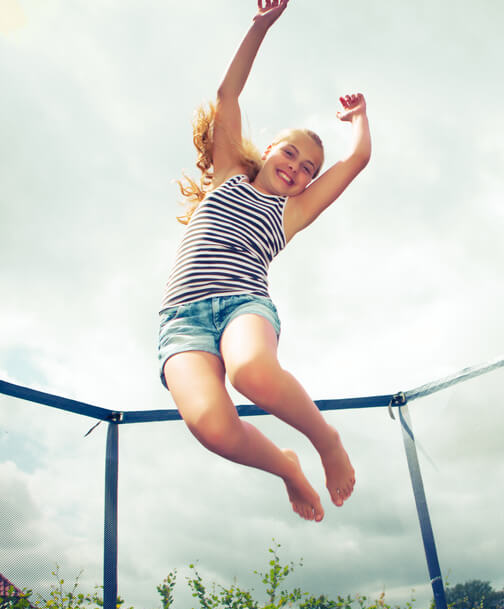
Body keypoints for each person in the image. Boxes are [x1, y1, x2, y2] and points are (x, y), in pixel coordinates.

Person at [158, 0, 371, 522]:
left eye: (308, 169)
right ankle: (288, 469)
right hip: (180, 321)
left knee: (251, 371)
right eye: (291, 154)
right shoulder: (228, 171)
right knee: (211, 424)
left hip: (242, 304)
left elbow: (356, 160)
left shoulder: (292, 211)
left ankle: (326, 439)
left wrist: (359, 120)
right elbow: (228, 94)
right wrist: (260, 27)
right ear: (269, 148)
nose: (297, 169)